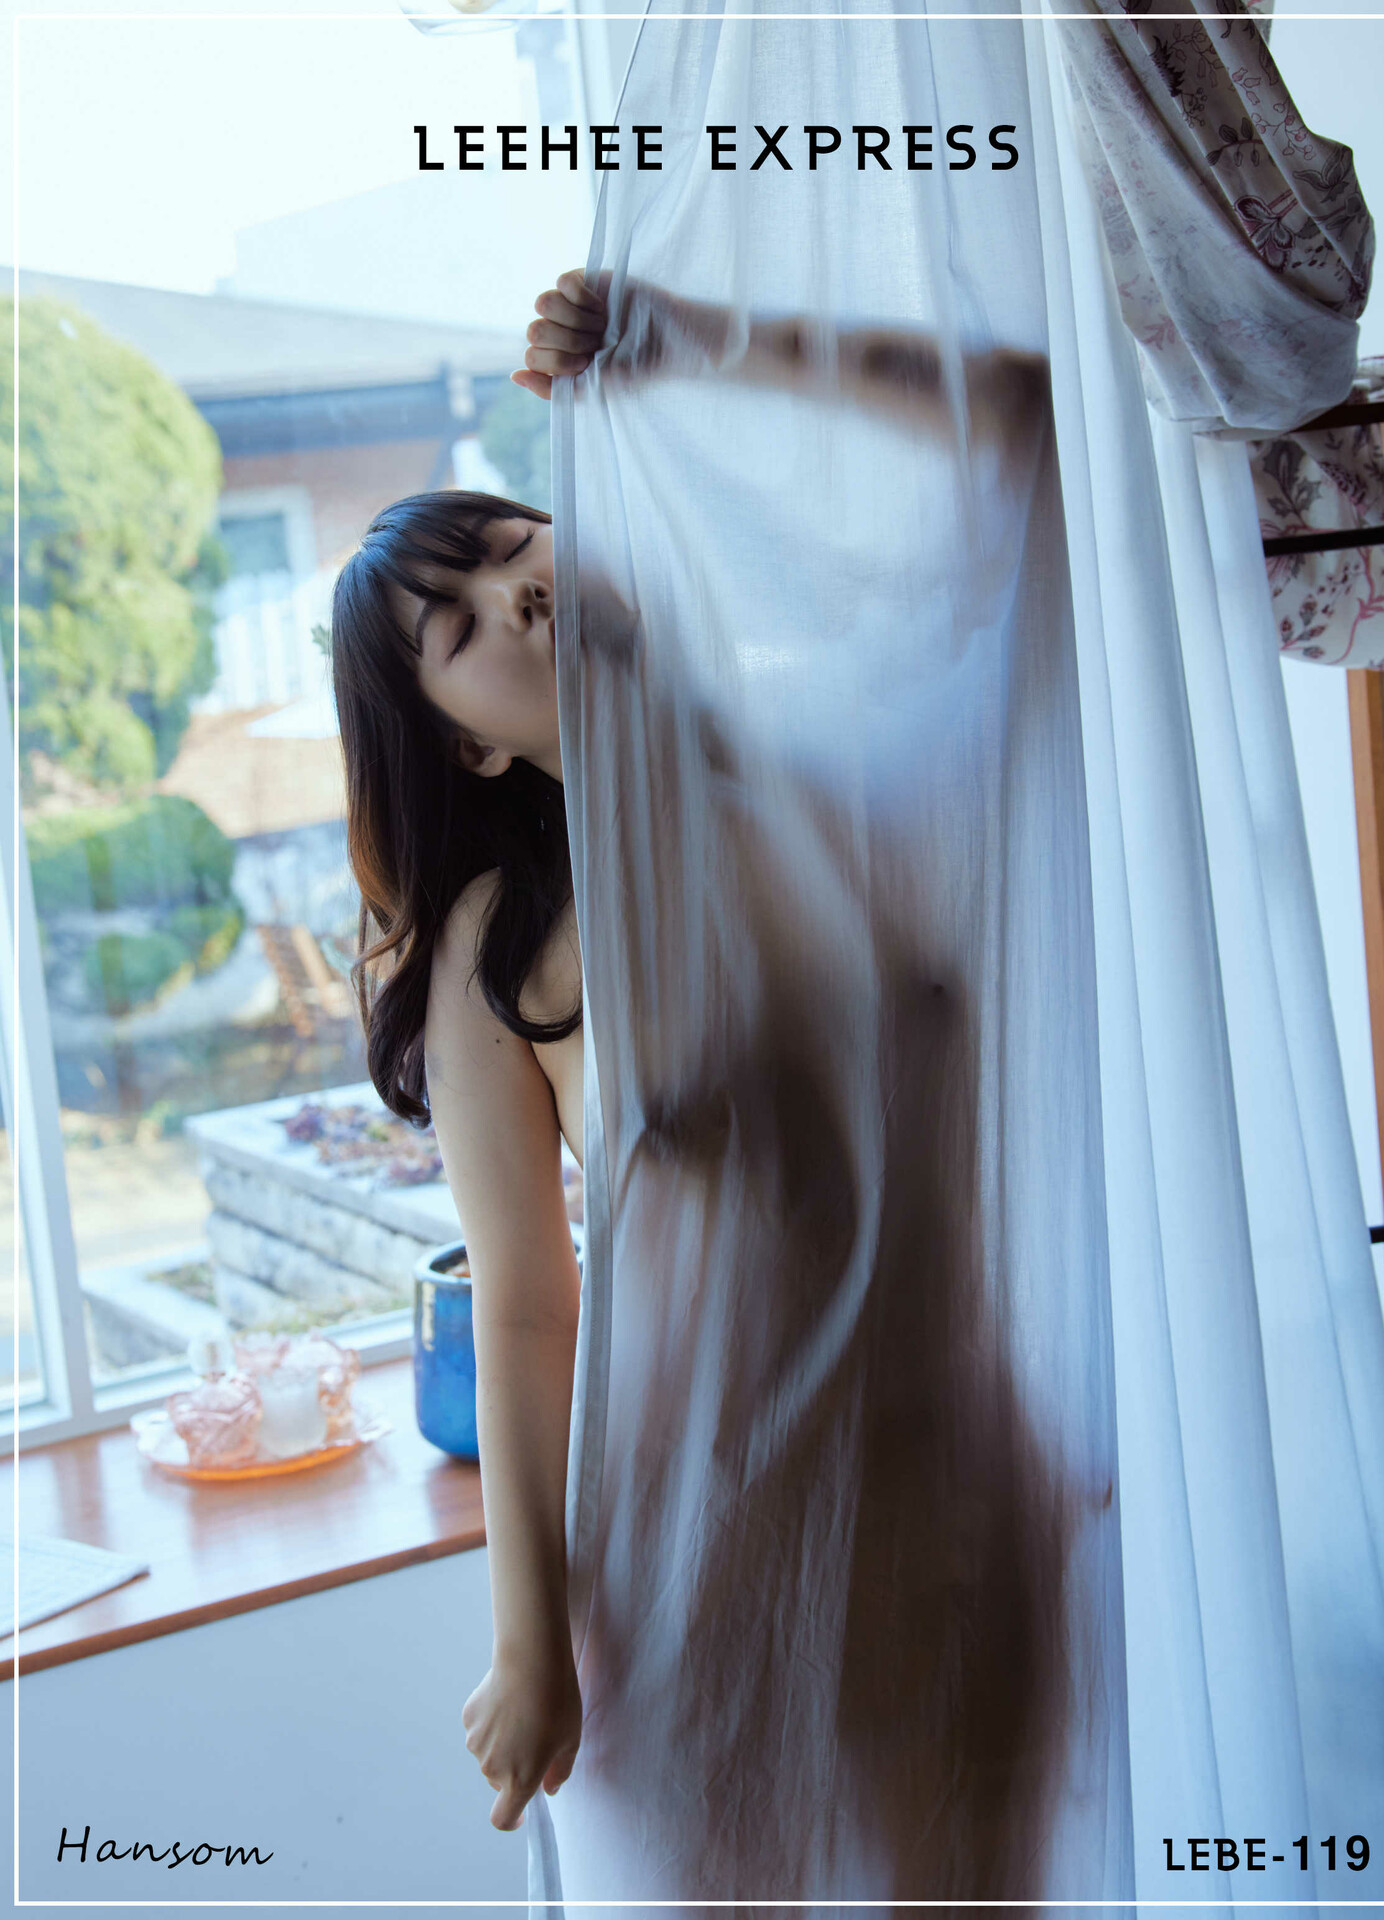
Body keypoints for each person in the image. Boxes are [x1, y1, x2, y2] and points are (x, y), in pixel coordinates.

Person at [328, 268, 1054, 1844]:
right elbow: (526, 1304)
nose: (519, 598)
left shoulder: (848, 760)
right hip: (724, 1529)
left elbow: (1019, 428)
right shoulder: (494, 953)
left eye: (518, 548)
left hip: (981, 1478)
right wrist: (528, 1638)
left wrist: (706, 340)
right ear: (464, 741)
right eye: (458, 626)